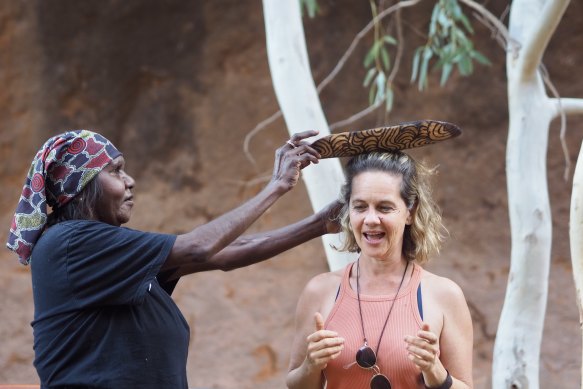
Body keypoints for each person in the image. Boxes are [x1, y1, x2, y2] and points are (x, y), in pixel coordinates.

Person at [6, 129, 341, 388]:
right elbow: (199, 247)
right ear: (83, 183)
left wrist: (321, 223)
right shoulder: (71, 243)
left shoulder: (108, 254)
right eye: (116, 171)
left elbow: (226, 253)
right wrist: (278, 185)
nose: (130, 181)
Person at [286, 151, 473, 389]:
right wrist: (310, 366)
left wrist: (435, 371)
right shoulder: (320, 290)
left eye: (384, 208)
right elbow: (295, 383)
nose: (371, 219)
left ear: (410, 212)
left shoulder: (444, 294)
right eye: (360, 207)